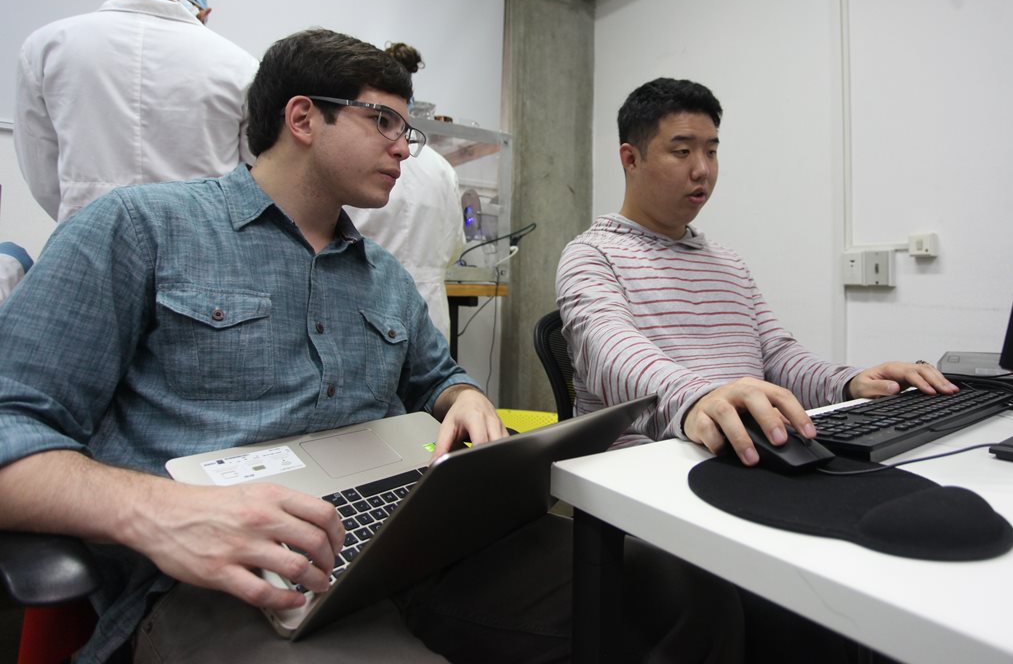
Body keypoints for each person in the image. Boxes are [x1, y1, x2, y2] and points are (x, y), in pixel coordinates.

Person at [0, 32, 741, 664]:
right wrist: (161, 513)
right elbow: (13, 425)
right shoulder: (139, 229)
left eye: (407, 129)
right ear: (302, 118)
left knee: (676, 583)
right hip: (221, 578)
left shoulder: (383, 276)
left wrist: (465, 397)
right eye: (384, 122)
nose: (405, 148)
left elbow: (436, 377)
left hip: (409, 542)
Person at [556, 77, 959, 467]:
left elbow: (777, 355)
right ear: (631, 159)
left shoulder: (728, 263)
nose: (702, 170)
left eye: (711, 152)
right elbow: (608, 353)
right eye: (682, 152)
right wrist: (698, 400)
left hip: (746, 449)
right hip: (650, 463)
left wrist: (852, 383)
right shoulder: (591, 255)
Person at [14, 0, 259, 221]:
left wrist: (80, 221)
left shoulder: (47, 45)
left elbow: (41, 170)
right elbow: (253, 170)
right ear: (203, 13)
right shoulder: (240, 64)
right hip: (198, 231)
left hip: (88, 227)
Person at [346, 43, 465, 341]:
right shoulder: (441, 167)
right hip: (430, 318)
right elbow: (455, 248)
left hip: (366, 312)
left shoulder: (355, 161)